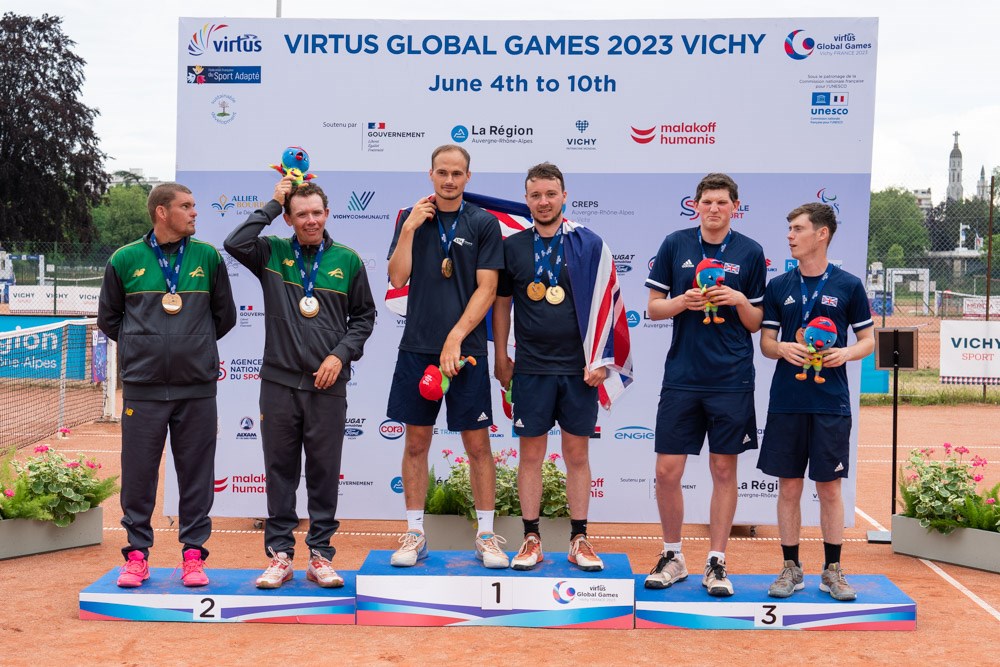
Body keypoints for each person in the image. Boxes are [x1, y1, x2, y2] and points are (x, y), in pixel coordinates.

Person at [224, 175, 375, 589]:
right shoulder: (271, 252)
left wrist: (339, 355)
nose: (311, 220)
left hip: (328, 383)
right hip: (278, 382)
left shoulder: (348, 260)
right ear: (289, 219)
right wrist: (273, 202)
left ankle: (321, 555)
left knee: (325, 473)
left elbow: (364, 318)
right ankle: (280, 556)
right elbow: (235, 242)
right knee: (280, 472)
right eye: (301, 214)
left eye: (317, 213)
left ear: (327, 214)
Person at [98, 183, 236, 588]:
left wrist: (193, 346)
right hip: (143, 387)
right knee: (138, 475)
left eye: (194, 205)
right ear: (162, 212)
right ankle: (137, 556)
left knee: (196, 474)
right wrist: (145, 346)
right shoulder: (125, 259)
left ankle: (193, 556)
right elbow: (110, 319)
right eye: (186, 206)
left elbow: (223, 317)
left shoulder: (208, 257)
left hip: (197, 387)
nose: (195, 213)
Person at [643, 173, 765, 596]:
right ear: (694, 205)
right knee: (667, 470)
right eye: (707, 202)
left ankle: (717, 562)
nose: (714, 209)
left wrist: (738, 300)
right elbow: (653, 309)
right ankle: (673, 555)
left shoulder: (751, 252)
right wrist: (681, 302)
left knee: (722, 468)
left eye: (722, 203)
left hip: (731, 378)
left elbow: (756, 323)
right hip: (682, 376)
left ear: (735, 206)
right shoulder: (675, 244)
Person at [385, 144, 507, 568]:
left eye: (457, 173)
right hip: (418, 347)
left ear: (468, 177)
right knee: (416, 442)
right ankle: (415, 533)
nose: (449, 180)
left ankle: (487, 536)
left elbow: (487, 289)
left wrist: (455, 338)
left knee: (478, 445)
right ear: (430, 174)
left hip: (466, 351)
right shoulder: (411, 217)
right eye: (442, 172)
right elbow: (397, 276)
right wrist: (407, 231)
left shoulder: (483, 223)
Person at [493, 162, 617, 572]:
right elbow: (502, 306)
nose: (543, 202)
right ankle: (531, 539)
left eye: (550, 194)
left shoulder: (589, 243)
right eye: (535, 195)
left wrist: (601, 358)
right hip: (530, 369)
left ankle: (579, 539)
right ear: (526, 199)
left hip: (579, 370)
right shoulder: (512, 246)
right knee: (530, 455)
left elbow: (607, 303)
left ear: (565, 196)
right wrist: (501, 357)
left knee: (576, 455)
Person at [758, 203, 874, 601]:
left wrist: (846, 353)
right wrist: (782, 348)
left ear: (821, 234)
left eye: (798, 229)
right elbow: (766, 344)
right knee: (789, 488)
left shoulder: (848, 285)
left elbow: (868, 340)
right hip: (787, 401)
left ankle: (833, 570)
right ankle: (791, 567)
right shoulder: (778, 287)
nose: (790, 235)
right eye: (789, 228)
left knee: (829, 488)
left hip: (830, 402)